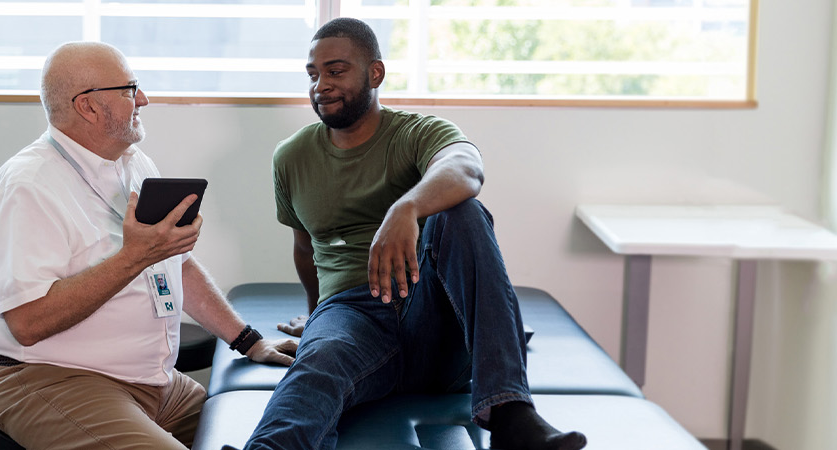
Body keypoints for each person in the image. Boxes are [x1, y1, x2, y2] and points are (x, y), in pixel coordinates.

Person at [240, 18, 587, 450]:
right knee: (320, 359)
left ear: (375, 73)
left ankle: (511, 413)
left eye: (336, 70)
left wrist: (407, 207)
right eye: (313, 74)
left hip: (432, 316)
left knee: (462, 212)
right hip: (352, 317)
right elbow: (305, 247)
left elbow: (466, 169)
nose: (321, 85)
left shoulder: (418, 132)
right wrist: (316, 319)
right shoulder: (291, 157)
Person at [0, 41, 298, 449]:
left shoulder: (133, 163)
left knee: (280, 433)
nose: (143, 99)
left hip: (153, 383)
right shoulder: (26, 187)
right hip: (49, 378)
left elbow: (177, 264)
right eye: (130, 89)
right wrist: (133, 257)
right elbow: (27, 323)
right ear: (88, 107)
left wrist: (249, 341)